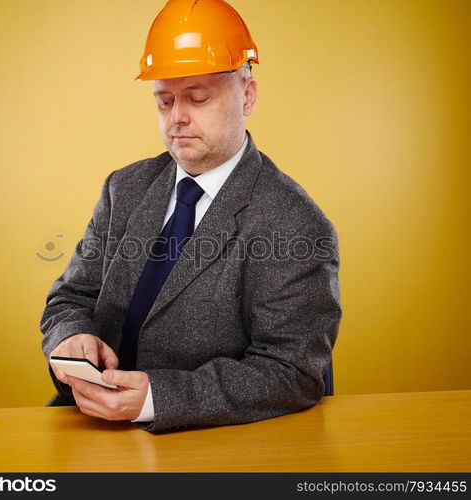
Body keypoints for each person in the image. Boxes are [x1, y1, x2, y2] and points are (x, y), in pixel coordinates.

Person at [39, 0, 341, 432]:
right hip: (87, 429)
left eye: (197, 98)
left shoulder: (296, 224)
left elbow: (291, 371)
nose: (177, 118)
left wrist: (156, 400)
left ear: (247, 95)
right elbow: (70, 300)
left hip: (206, 443)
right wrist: (70, 339)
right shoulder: (123, 188)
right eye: (164, 101)